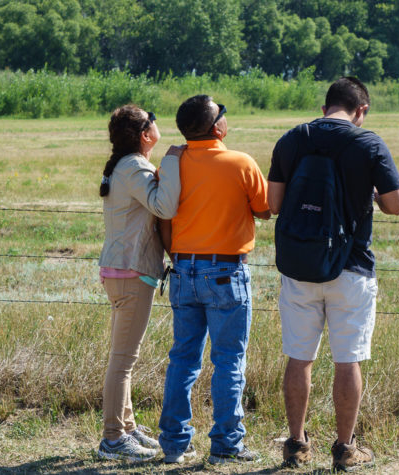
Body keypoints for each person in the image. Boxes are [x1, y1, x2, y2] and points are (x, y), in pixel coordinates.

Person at [267, 77, 399, 471]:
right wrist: (374, 196)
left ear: (326, 105)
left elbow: (273, 204)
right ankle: (345, 449)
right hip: (352, 266)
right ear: (360, 110)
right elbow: (397, 205)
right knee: (348, 361)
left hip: (299, 268)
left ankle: (295, 443)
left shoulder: (292, 138)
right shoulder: (368, 143)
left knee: (299, 358)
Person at [156, 95, 270, 465]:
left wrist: (176, 255)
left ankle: (173, 443)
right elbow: (265, 210)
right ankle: (226, 444)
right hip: (225, 271)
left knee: (183, 360)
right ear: (216, 126)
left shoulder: (172, 163)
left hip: (183, 268)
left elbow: (164, 214)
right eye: (224, 115)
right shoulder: (240, 162)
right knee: (228, 361)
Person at [97, 104, 184, 462]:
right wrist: (175, 161)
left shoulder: (126, 165)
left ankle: (127, 428)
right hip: (131, 274)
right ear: (145, 135)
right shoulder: (135, 166)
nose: (157, 123)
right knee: (123, 361)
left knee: (124, 359)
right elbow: (164, 207)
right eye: (153, 121)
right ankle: (113, 439)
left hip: (122, 272)